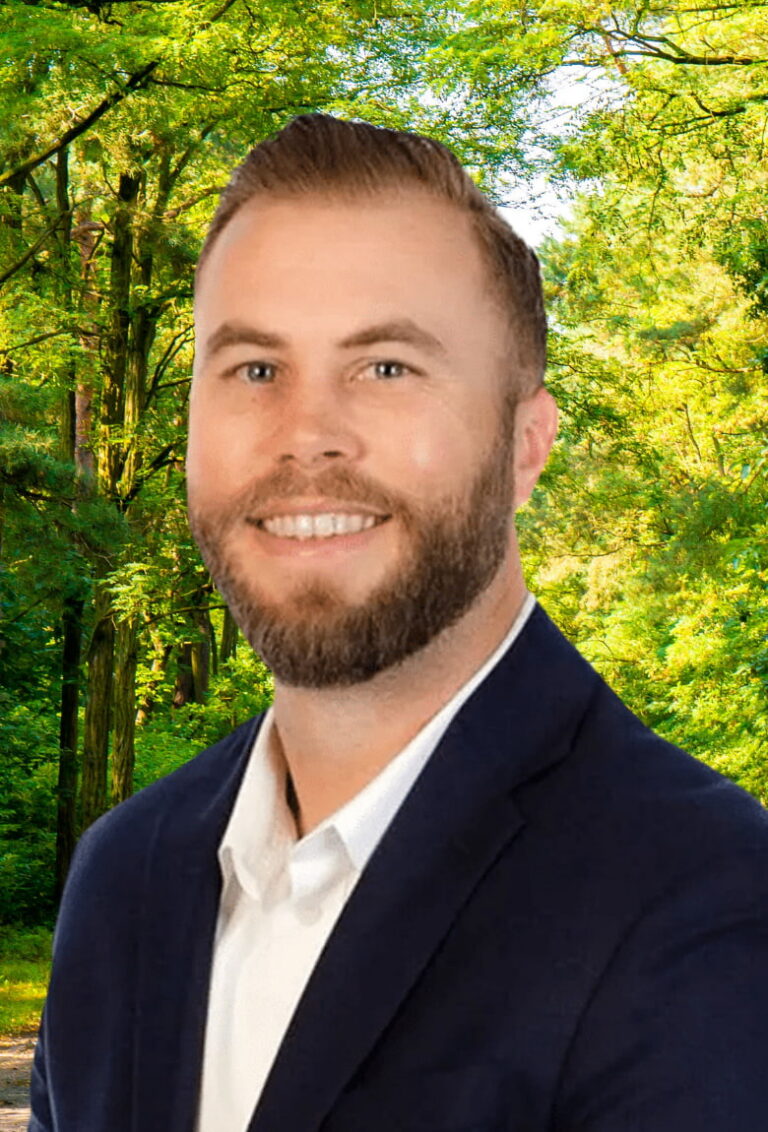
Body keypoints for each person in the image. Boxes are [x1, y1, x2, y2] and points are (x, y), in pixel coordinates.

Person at [30, 114, 768, 1132]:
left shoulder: (703, 895)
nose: (306, 436)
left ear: (526, 445)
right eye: (254, 369)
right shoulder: (123, 876)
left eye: (386, 367)